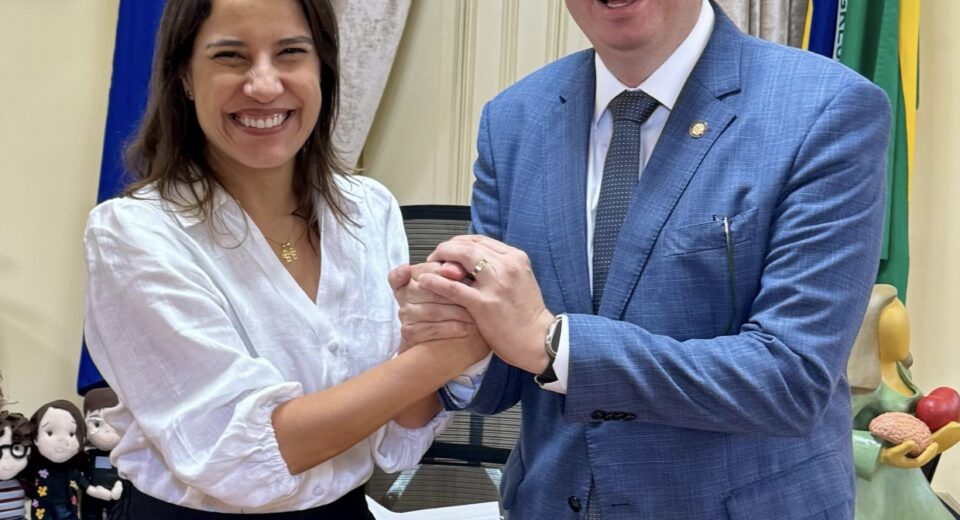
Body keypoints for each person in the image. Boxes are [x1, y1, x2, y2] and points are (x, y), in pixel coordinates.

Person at [391, 0, 891, 518]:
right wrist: (454, 324)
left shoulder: (827, 107)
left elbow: (791, 380)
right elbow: (504, 379)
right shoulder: (512, 118)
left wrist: (554, 344)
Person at [83, 0, 486, 517]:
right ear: (184, 75)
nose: (264, 85)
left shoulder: (368, 208)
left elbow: (398, 436)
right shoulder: (135, 233)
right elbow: (241, 460)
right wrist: (448, 356)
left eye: (291, 52)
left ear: (323, 68)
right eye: (231, 56)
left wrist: (434, 330)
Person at [848, 285, 959, 520]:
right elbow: (832, 435)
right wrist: (881, 453)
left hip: (906, 478)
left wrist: (940, 435)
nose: (904, 338)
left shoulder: (900, 370)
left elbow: (912, 424)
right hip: (870, 485)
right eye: (895, 331)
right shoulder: (861, 384)